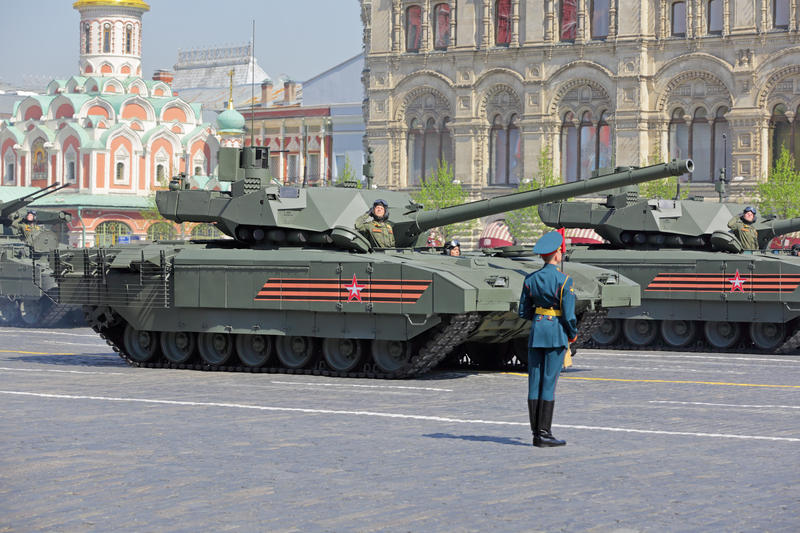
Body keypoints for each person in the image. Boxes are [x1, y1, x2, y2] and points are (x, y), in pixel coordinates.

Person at [518, 231, 577, 448]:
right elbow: (569, 314)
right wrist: (572, 333)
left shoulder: (530, 279)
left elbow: (523, 311)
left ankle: (536, 433)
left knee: (534, 383)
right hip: (555, 333)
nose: (562, 254)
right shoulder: (564, 280)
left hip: (537, 333)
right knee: (549, 383)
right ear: (555, 255)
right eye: (561, 251)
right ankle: (544, 433)